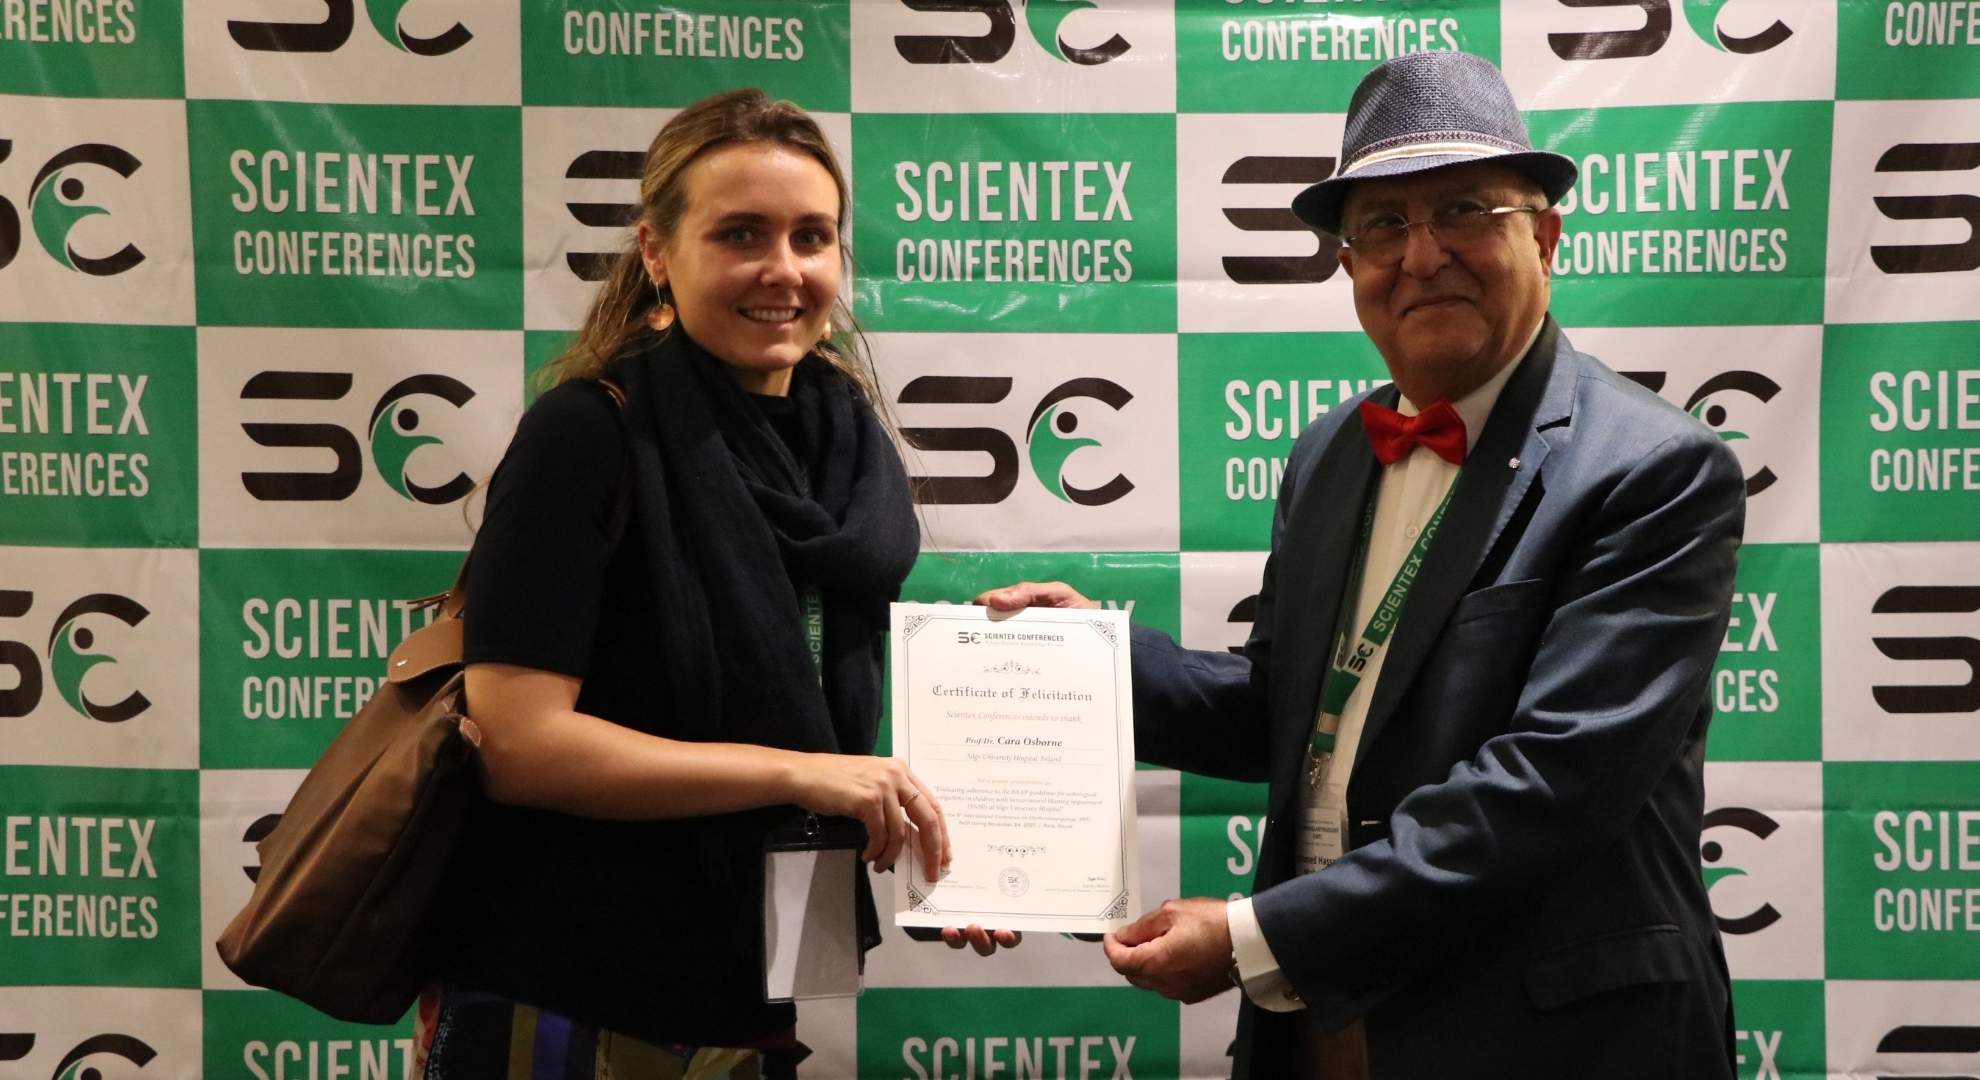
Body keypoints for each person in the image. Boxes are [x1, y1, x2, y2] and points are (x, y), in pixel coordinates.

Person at [980, 52, 1744, 1079]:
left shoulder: (1654, 468)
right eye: (1383, 224)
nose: (1422, 256)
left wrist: (1255, 935)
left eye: (1464, 210)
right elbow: (1287, 708)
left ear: (1545, 236)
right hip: (1327, 1022)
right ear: (1348, 265)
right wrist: (1094, 662)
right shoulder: (1332, 452)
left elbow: (1552, 784)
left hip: (1548, 1040)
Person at [418, 88, 1006, 1080]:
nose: (784, 269)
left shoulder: (842, 447)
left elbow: (815, 705)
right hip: (562, 990)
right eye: (741, 234)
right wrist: (799, 774)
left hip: (745, 993)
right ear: (657, 251)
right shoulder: (587, 433)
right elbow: (518, 745)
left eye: (812, 237)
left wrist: (949, 837)